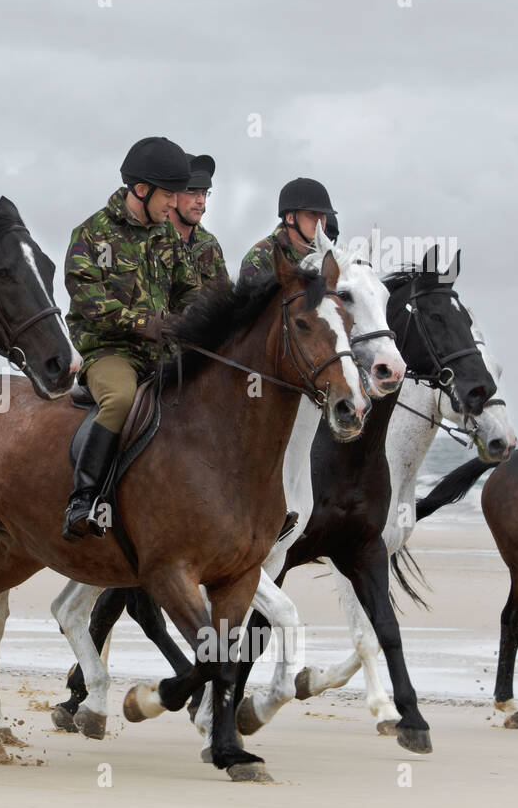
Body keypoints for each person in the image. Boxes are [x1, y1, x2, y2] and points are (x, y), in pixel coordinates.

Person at [62, 137, 208, 541]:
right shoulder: (91, 235)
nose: (176, 203)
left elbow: (190, 290)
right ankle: (84, 498)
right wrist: (146, 323)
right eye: (170, 194)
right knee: (121, 399)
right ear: (141, 190)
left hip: (164, 352)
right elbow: (89, 302)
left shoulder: (168, 237)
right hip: (111, 352)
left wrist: (194, 318)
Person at [239, 176, 336, 285]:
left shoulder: (323, 256)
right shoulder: (261, 257)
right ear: (290, 218)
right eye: (312, 214)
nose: (320, 221)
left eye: (323, 215)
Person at [168, 153, 229, 283]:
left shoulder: (209, 244)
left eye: (204, 193)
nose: (201, 200)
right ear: (173, 194)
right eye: (192, 192)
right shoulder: (154, 240)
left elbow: (225, 296)